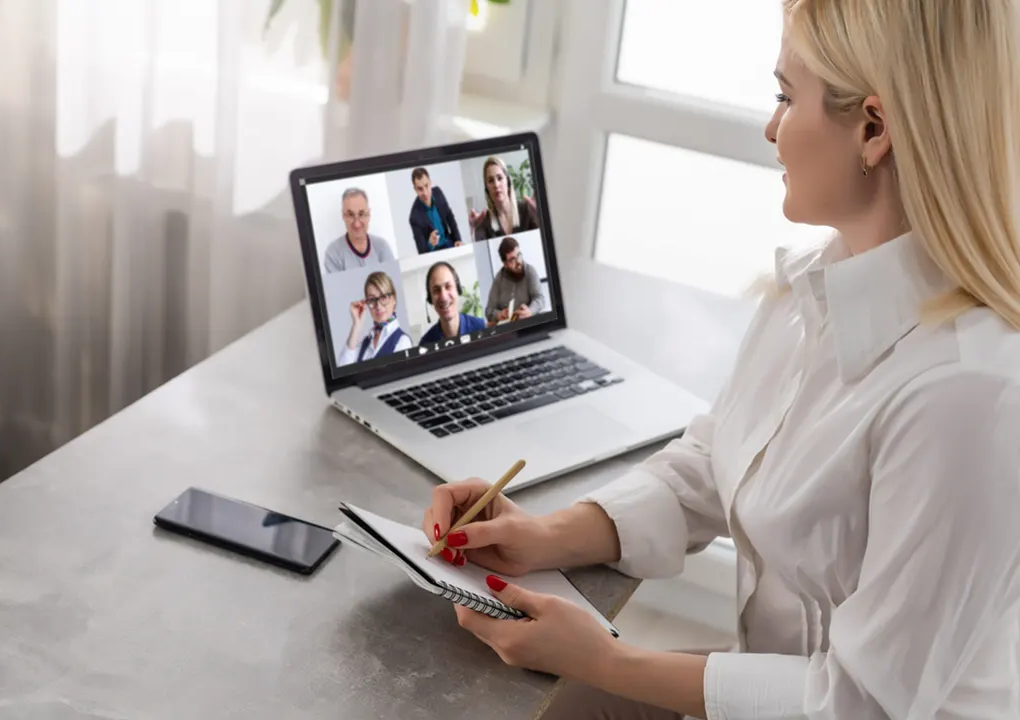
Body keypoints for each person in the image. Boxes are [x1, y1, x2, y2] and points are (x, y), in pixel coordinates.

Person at [421, 1, 1020, 718]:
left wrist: (605, 659)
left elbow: (862, 705)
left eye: (784, 98)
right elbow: (713, 463)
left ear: (874, 129)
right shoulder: (813, 289)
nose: (770, 128)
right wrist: (545, 535)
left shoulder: (968, 395)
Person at [337, 271, 412, 365]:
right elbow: (343, 371)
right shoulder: (365, 342)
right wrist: (356, 325)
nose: (378, 306)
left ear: (393, 299)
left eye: (384, 297)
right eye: (372, 300)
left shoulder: (402, 341)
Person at [323, 188, 396, 274]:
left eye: (361, 214)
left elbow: (392, 284)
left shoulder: (382, 247)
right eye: (350, 215)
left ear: (368, 214)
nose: (357, 224)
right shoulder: (333, 253)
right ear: (343, 216)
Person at [469, 156, 540, 242]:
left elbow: (542, 243)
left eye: (499, 178)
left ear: (508, 181)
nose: (496, 185)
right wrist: (473, 229)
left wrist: (539, 218)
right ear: (486, 189)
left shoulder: (526, 209)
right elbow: (478, 252)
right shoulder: (485, 222)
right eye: (491, 181)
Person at [419, 262, 486, 345]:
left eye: (448, 286)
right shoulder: (425, 344)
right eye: (436, 290)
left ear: (458, 290)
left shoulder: (483, 329)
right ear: (430, 299)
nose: (443, 297)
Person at [484, 236, 545, 325]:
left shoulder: (530, 271)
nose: (519, 261)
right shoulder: (499, 278)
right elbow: (489, 311)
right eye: (512, 259)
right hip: (509, 329)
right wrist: (498, 314)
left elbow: (540, 298)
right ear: (505, 264)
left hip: (530, 324)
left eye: (519, 255)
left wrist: (530, 311)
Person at [408, 167, 463, 254]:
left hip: (450, 243)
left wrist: (458, 240)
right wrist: (430, 244)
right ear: (415, 190)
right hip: (435, 253)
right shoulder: (414, 217)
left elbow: (450, 217)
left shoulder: (438, 193)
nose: (425, 193)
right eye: (420, 189)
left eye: (426, 186)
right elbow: (421, 251)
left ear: (430, 183)